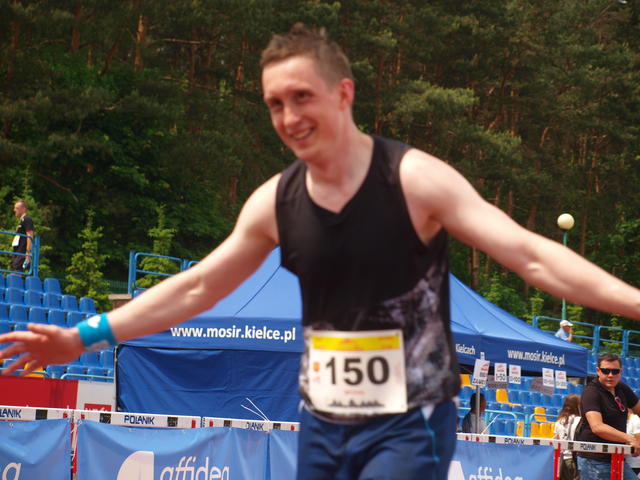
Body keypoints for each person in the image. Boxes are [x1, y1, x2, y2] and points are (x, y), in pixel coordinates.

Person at [3, 24, 640, 480]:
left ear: (344, 94)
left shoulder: (414, 180)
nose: (288, 116)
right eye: (274, 104)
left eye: (301, 97)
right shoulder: (274, 203)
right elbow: (198, 288)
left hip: (410, 418)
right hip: (324, 419)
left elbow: (531, 255)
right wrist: (84, 335)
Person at [576, 353, 640, 480]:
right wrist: (630, 438)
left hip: (617, 457)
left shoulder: (621, 388)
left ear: (621, 372)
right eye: (606, 371)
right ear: (598, 371)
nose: (610, 375)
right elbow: (597, 427)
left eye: (615, 371)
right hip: (594, 460)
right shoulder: (591, 392)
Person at [553, 393, 581, 480]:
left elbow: (555, 438)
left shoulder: (559, 421)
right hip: (576, 458)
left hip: (563, 458)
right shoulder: (580, 420)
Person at [10, 200, 34, 272]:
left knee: (16, 272)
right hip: (17, 252)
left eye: (17, 208)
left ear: (23, 209)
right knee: (12, 271)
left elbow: (30, 236)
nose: (14, 210)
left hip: (22, 252)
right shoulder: (21, 221)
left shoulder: (26, 219)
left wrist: (28, 252)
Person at [626, 411, 640, 477]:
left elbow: (638, 440)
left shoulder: (635, 419)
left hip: (634, 463)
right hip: (625, 461)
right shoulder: (626, 421)